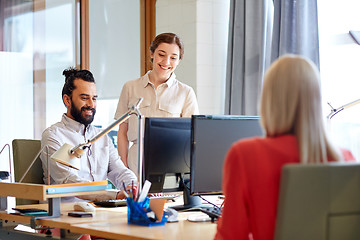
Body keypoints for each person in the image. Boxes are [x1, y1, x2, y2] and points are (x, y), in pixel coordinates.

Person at [214, 55, 355, 240]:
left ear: (269, 100)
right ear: (316, 100)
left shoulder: (245, 155)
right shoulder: (345, 159)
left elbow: (232, 236)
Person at [40, 68, 137, 202]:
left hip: (101, 213)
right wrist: (113, 196)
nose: (91, 104)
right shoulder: (53, 136)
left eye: (94, 98)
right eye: (85, 98)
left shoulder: (101, 136)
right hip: (66, 215)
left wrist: (133, 187)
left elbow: (120, 171)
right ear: (67, 100)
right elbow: (69, 181)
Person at [114, 32, 199, 174]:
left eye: (173, 58)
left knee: (166, 198)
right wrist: (123, 168)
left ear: (178, 61)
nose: (166, 62)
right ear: (152, 53)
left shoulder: (186, 92)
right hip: (135, 164)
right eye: (161, 54)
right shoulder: (130, 87)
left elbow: (191, 137)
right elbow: (123, 132)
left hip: (171, 162)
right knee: (136, 197)